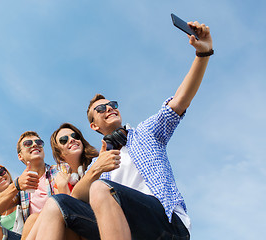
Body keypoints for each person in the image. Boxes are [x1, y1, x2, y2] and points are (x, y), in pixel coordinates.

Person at [26, 20, 213, 240]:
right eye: (101, 109)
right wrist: (96, 169)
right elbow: (75, 198)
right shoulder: (99, 163)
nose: (109, 109)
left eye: (112, 105)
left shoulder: (146, 133)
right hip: (122, 228)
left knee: (101, 189)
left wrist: (203, 54)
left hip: (166, 224)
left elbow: (180, 101)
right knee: (56, 204)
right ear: (94, 126)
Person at [0, 131, 58, 240]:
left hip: (54, 228)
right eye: (28, 143)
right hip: (32, 234)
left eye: (39, 142)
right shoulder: (21, 188)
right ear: (20, 156)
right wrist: (16, 185)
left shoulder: (59, 171)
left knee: (33, 219)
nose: (34, 144)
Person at [26, 123, 98, 240]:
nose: (72, 140)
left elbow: (70, 211)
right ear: (60, 154)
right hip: (74, 232)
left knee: (55, 203)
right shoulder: (61, 178)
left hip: (96, 226)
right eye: (64, 140)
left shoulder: (96, 164)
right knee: (33, 219)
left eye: (75, 136)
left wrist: (64, 187)